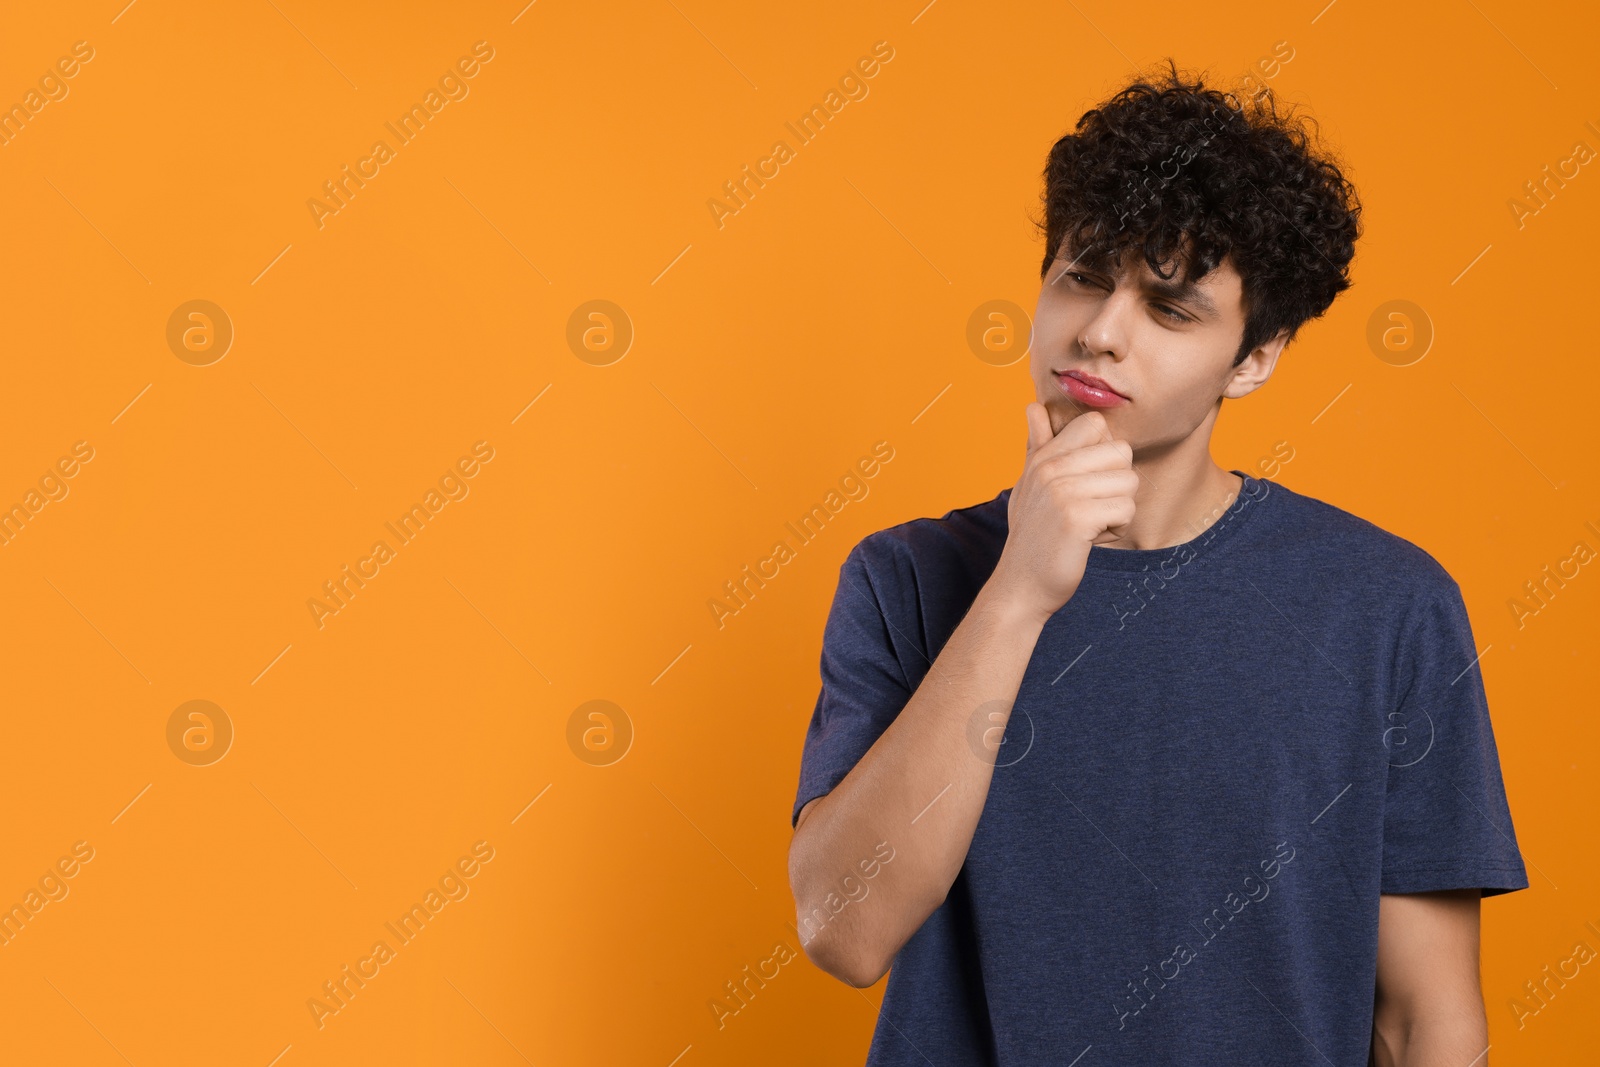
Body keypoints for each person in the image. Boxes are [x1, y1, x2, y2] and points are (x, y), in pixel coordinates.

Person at [786, 59, 1528, 1066]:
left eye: (1169, 309)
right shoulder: (907, 578)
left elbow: (1423, 1020)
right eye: (1082, 276)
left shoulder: (1385, 606)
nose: (1099, 331)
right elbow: (843, 927)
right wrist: (1017, 593)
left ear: (1253, 356)